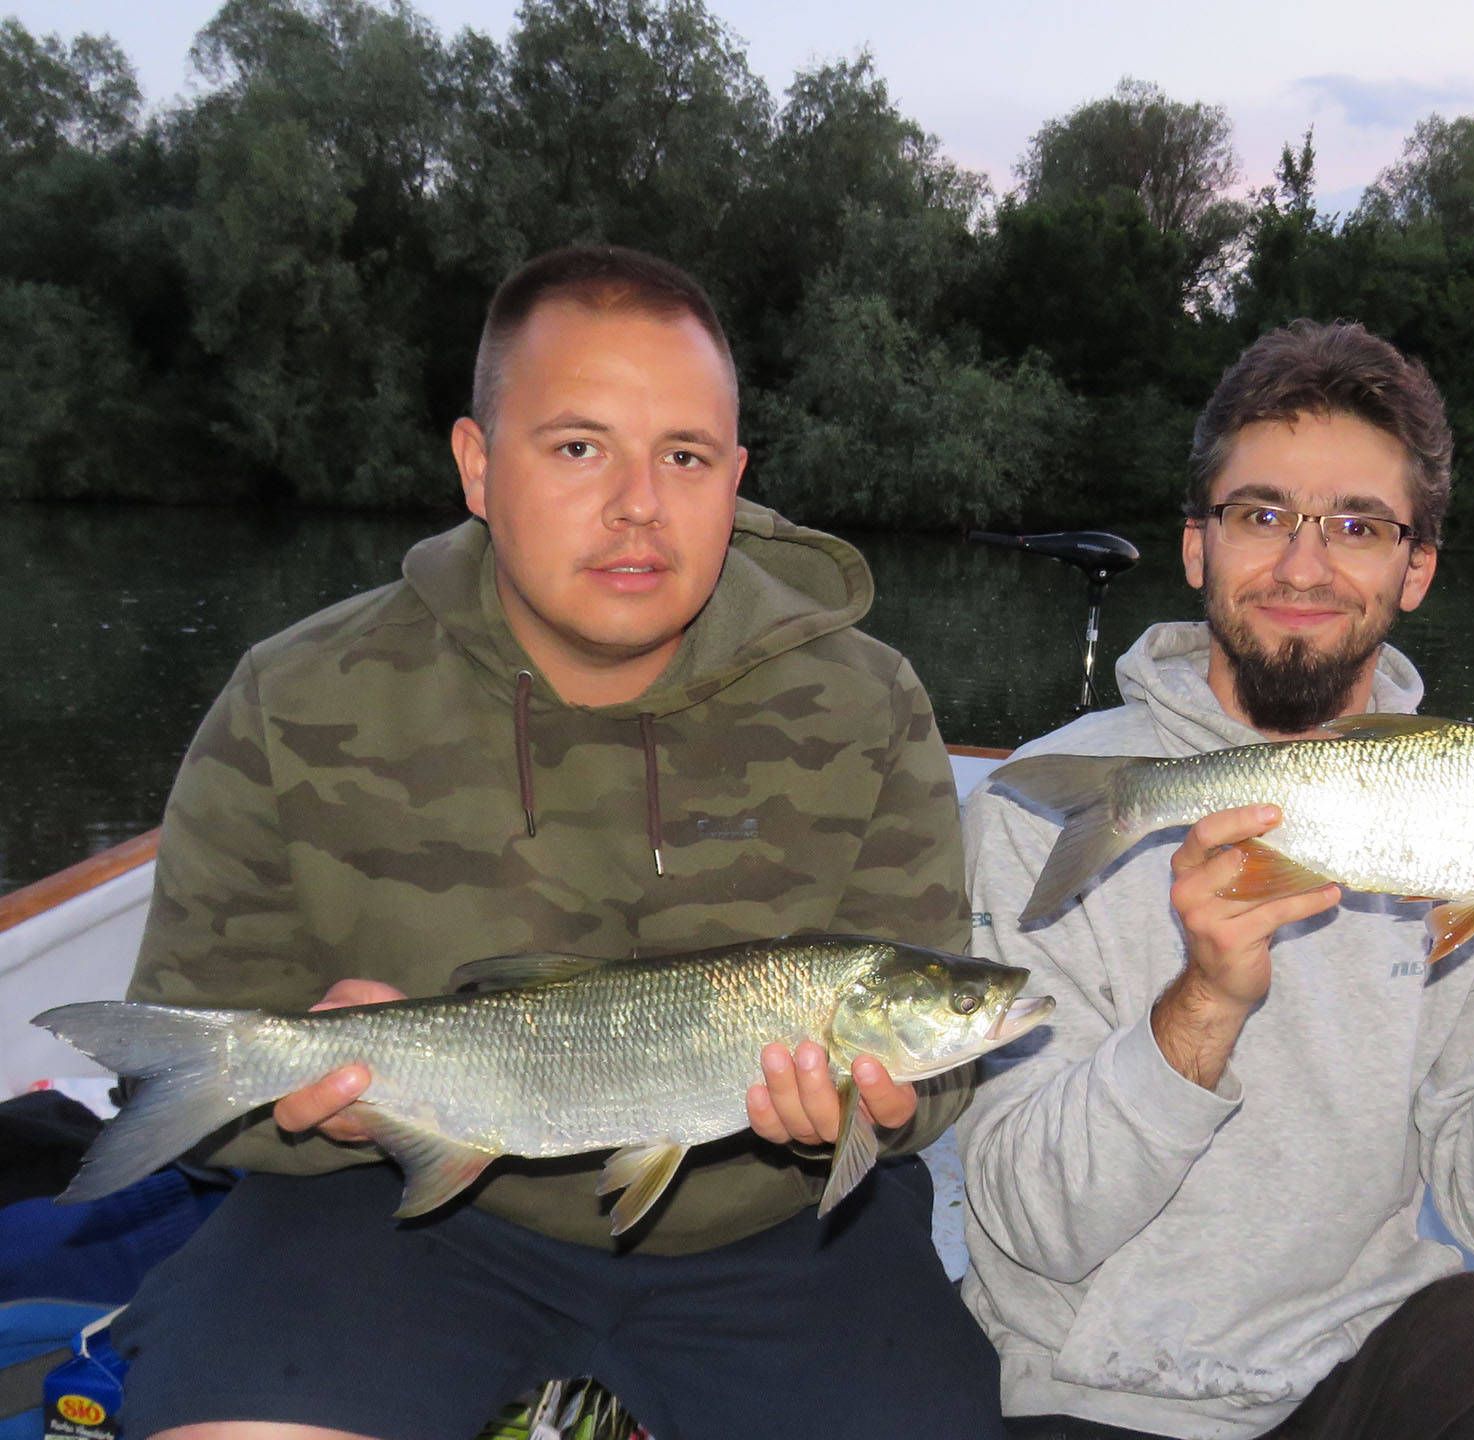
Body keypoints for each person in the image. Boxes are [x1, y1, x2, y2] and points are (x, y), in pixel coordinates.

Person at [114, 245, 1003, 1440]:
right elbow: (188, 1044)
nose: (639, 504)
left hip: (780, 1226)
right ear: (478, 466)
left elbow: (934, 1070)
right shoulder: (297, 693)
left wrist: (876, 1109)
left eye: (684, 458)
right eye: (580, 447)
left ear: (735, 479)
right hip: (402, 1216)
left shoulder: (868, 703)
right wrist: (311, 1106)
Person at [959, 321, 1474, 1439]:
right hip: (1114, 1387)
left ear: (1415, 570)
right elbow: (1030, 1224)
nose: (1304, 565)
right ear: (1197, 546)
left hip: (1383, 1337)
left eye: (1357, 526)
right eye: (1263, 514)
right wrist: (1204, 1003)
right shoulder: (1035, 801)